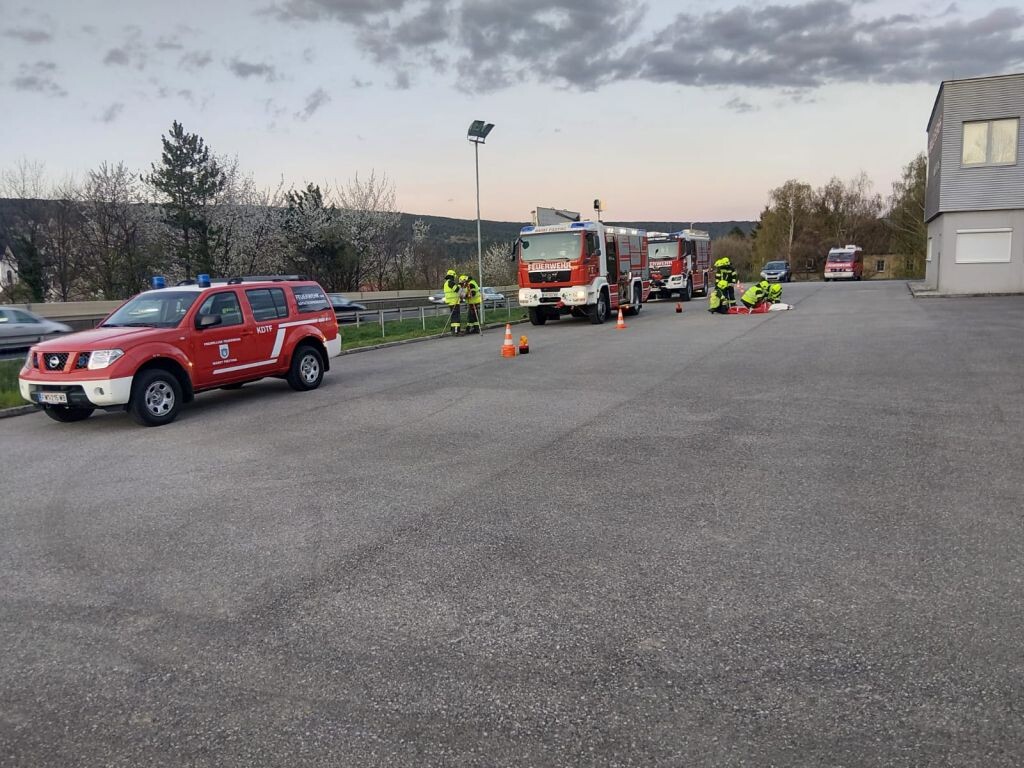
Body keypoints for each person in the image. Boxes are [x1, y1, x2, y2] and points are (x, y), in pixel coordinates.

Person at [443, 268, 462, 335]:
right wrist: (460, 285)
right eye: (454, 276)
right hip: (454, 302)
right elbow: (456, 290)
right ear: (452, 276)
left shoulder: (446, 283)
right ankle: (456, 331)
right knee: (456, 317)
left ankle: (453, 330)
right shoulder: (450, 282)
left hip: (451, 302)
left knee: (453, 316)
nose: (454, 278)